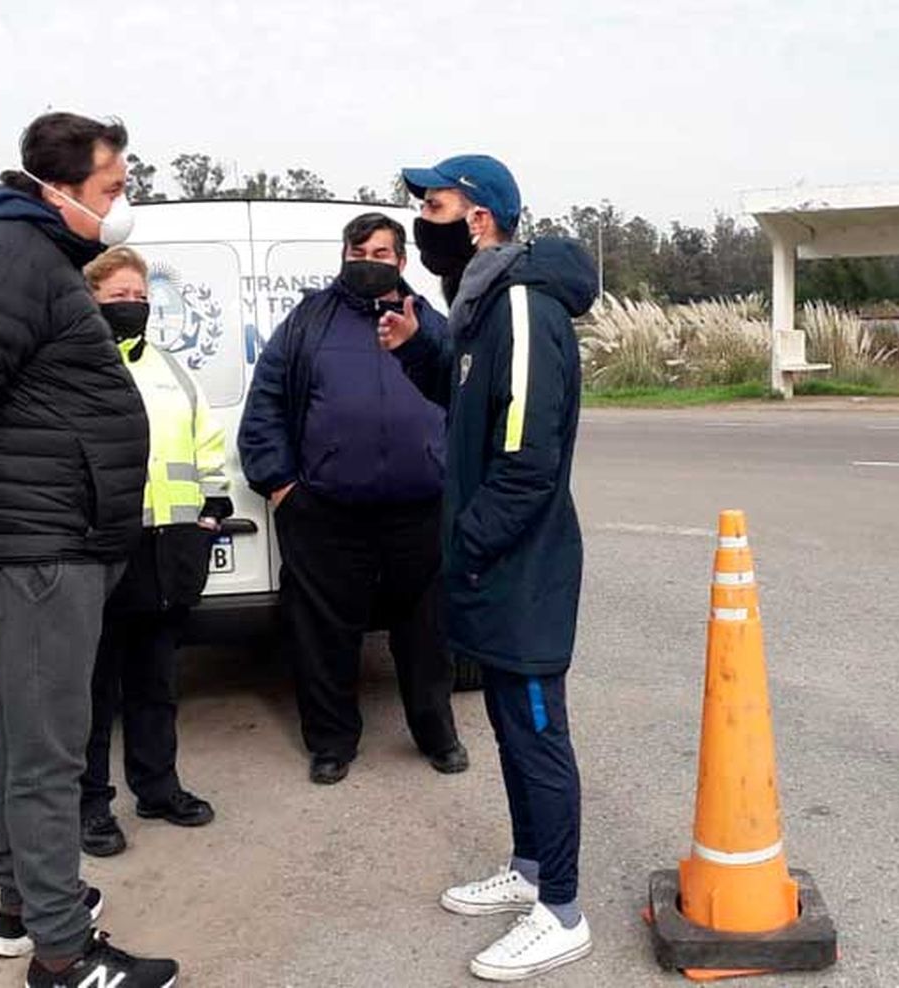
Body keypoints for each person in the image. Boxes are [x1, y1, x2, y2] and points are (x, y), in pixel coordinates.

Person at [0, 112, 179, 988]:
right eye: (112, 188)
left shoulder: (31, 256)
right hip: (34, 550)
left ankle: (25, 906)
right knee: (51, 751)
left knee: (23, 736)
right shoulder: (15, 259)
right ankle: (64, 954)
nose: (122, 203)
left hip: (44, 540)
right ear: (58, 186)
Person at [378, 155, 598, 981]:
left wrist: (465, 547)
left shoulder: (522, 306)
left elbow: (528, 460)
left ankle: (562, 909)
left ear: (477, 221)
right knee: (508, 727)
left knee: (538, 733)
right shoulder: (477, 314)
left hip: (521, 567)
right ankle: (532, 867)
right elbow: (478, 407)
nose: (421, 222)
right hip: (492, 566)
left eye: (433, 205)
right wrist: (416, 350)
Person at [240, 212, 466, 785]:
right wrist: (283, 486)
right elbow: (264, 406)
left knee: (426, 633)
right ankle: (332, 744)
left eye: (381, 254)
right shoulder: (307, 323)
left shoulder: (430, 322)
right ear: (344, 256)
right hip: (327, 513)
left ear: (402, 261)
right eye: (359, 253)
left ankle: (437, 734)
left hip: (419, 511)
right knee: (323, 634)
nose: (369, 263)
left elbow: (463, 395)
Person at [78, 246, 231, 857]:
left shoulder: (171, 369)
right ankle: (91, 806)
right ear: (91, 300)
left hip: (169, 553)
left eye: (140, 297)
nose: (133, 306)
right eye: (119, 297)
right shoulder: (74, 371)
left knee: (156, 684)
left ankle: (158, 787)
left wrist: (213, 506)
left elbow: (205, 442)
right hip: (100, 555)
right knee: (93, 694)